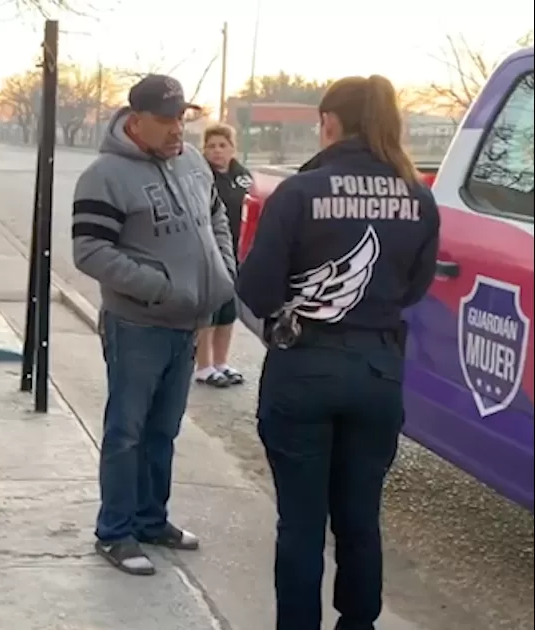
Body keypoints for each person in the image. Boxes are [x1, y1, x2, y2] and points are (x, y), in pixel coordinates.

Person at [236, 75, 440, 630]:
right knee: (360, 519)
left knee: (301, 524)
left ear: (329, 122)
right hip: (377, 371)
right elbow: (414, 288)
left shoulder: (300, 193)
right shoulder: (418, 195)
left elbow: (254, 289)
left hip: (304, 367)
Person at [72, 75, 236, 575]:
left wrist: (225, 272)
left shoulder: (192, 165)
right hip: (137, 326)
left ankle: (151, 519)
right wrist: (160, 287)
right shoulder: (104, 176)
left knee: (163, 431)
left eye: (181, 118)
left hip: (186, 326)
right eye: (165, 120)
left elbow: (218, 220)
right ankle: (115, 532)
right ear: (135, 119)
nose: (176, 130)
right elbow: (90, 251)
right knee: (127, 432)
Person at [195, 123, 254, 388]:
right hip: (209, 251)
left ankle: (221, 362)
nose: (217, 151)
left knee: (229, 311)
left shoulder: (242, 177)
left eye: (222, 145)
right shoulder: (200, 177)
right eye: (211, 146)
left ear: (233, 148)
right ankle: (203, 366)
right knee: (211, 311)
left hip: (236, 252)